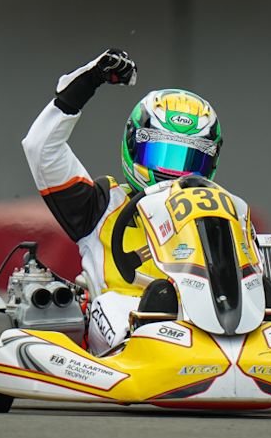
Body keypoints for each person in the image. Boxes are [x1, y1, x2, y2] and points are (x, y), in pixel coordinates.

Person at [22, 49, 227, 356]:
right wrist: (87, 81)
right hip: (126, 320)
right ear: (134, 145)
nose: (172, 172)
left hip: (203, 322)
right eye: (161, 155)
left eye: (187, 159)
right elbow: (41, 149)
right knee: (141, 301)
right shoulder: (101, 204)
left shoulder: (216, 212)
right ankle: (154, 353)